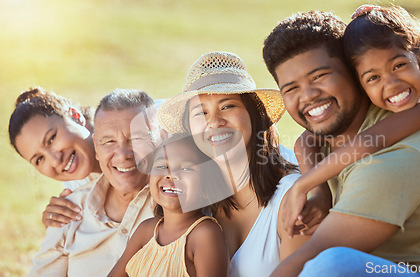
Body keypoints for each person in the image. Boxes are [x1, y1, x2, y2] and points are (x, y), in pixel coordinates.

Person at [262, 10, 420, 276]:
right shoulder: (329, 139)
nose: (308, 95)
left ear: (354, 75)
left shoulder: (401, 153)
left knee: (330, 265)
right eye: (291, 88)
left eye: (319, 77)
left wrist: (306, 185)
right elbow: (306, 141)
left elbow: (305, 262)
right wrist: (316, 190)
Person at [156, 51, 329, 276]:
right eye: (201, 112)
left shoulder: (292, 198)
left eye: (227, 106)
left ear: (254, 115)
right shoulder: (193, 200)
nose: (215, 122)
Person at [28, 89, 155, 277]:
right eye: (109, 141)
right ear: (96, 145)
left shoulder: (176, 203)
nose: (122, 154)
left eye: (136, 138)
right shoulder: (70, 210)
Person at [108, 135, 229, 277]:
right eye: (162, 166)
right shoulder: (145, 230)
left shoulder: (204, 234)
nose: (170, 175)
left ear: (207, 186)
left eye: (186, 169)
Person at [9, 87, 101, 227]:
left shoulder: (133, 141)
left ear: (75, 116)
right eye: (39, 159)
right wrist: (57, 230)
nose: (55, 160)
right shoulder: (76, 192)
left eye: (51, 139)